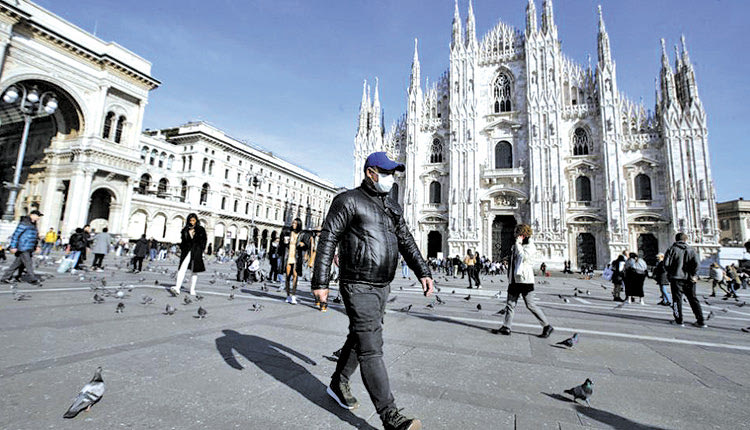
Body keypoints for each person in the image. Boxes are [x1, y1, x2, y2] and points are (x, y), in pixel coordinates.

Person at [312, 151, 432, 430]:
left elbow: (407, 241)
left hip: (382, 285)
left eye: (393, 173)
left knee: (360, 336)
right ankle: (390, 416)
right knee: (371, 347)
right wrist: (320, 282)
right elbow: (329, 237)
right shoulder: (348, 200)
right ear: (370, 172)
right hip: (357, 284)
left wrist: (423, 271)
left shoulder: (391, 207)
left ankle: (338, 383)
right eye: (386, 172)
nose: (391, 178)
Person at [492, 224, 554, 338]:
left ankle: (547, 326)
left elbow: (523, 257)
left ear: (523, 235)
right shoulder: (517, 245)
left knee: (530, 305)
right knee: (510, 304)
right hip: (515, 279)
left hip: (525, 280)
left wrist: (518, 244)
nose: (515, 235)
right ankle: (506, 327)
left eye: (518, 233)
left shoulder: (530, 246)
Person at [664, 233, 705, 328]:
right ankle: (701, 320)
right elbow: (697, 264)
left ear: (676, 239)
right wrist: (694, 275)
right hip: (689, 279)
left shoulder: (671, 249)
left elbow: (666, 264)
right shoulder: (692, 250)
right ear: (686, 239)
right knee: (693, 299)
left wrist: (671, 272)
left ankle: (679, 320)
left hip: (676, 278)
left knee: (676, 300)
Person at [1, 210, 42, 284]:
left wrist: (37, 246)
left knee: (17, 264)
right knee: (28, 263)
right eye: (38, 216)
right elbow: (16, 235)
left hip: (29, 247)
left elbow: (35, 237)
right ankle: (33, 279)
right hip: (23, 247)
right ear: (32, 215)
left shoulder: (33, 224)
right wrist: (13, 246)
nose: (38, 218)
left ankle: (5, 278)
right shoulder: (24, 223)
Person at [170, 213, 207, 296]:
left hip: (196, 252)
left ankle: (192, 289)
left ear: (196, 220)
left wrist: (201, 250)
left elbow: (204, 241)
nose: (192, 222)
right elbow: (183, 241)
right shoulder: (185, 229)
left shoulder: (200, 229)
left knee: (194, 271)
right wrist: (182, 249)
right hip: (186, 251)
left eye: (193, 220)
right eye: (190, 220)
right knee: (182, 268)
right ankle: (177, 287)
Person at [278, 218, 307, 305]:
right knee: (287, 276)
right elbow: (281, 244)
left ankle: (293, 296)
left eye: (295, 223)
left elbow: (306, 245)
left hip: (297, 257)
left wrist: (303, 244)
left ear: (298, 224)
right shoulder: (287, 231)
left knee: (295, 275)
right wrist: (284, 242)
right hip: (288, 256)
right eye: (293, 223)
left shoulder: (302, 234)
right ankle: (288, 296)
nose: (293, 224)